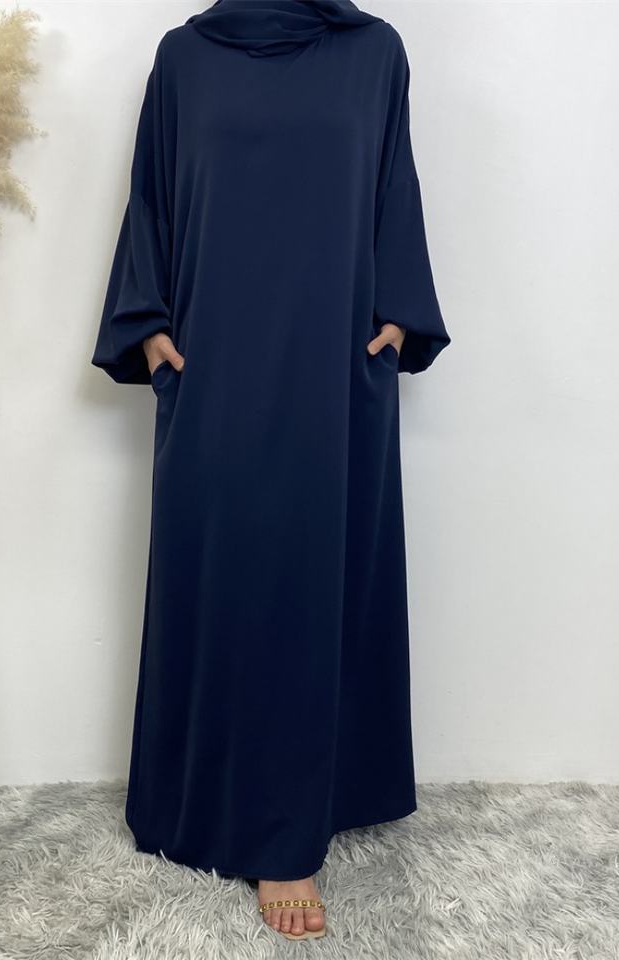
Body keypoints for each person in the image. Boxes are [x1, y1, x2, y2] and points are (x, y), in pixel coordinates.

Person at [91, 0, 449, 942]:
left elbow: (394, 186)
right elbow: (152, 198)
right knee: (225, 576)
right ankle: (206, 798)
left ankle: (291, 833)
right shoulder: (184, 59)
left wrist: (400, 312)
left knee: (312, 580)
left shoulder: (375, 54)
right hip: (215, 370)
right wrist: (149, 327)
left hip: (334, 370)